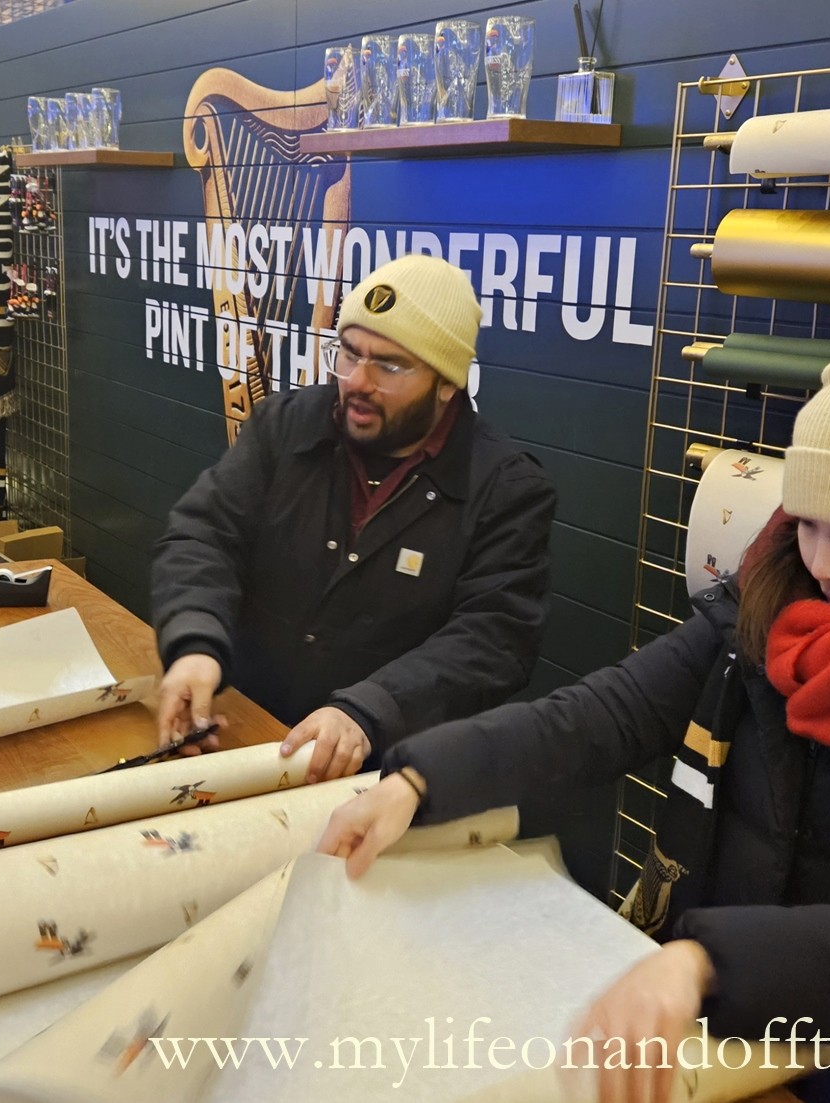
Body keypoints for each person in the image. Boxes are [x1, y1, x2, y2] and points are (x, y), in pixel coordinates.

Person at [318, 328, 830, 1103]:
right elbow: (608, 713)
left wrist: (710, 962)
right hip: (708, 1051)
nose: (824, 561)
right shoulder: (761, 617)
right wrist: (423, 778)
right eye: (807, 520)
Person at [150, 254, 558, 784]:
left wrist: (371, 708)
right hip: (245, 738)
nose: (357, 381)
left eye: (389, 365)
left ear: (447, 383)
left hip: (390, 779)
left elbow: (494, 639)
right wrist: (195, 643)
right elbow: (202, 536)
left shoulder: (506, 489)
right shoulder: (287, 424)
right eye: (348, 353)